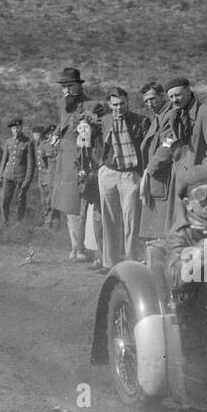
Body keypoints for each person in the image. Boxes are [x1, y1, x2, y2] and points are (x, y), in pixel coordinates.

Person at [146, 76, 207, 232]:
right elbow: (168, 143)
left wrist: (201, 176)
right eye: (171, 97)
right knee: (180, 225)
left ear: (188, 91)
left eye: (178, 95)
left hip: (199, 181)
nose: (175, 100)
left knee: (199, 225)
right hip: (178, 178)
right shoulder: (174, 114)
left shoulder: (205, 112)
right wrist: (152, 166)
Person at [50, 67, 104, 261]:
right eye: (63, 87)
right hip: (64, 161)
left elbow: (98, 134)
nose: (66, 91)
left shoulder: (93, 106)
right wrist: (56, 134)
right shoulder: (63, 105)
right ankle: (75, 247)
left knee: (80, 204)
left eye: (69, 86)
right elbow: (63, 123)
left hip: (81, 162)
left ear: (79, 86)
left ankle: (83, 249)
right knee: (68, 206)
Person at [97, 87, 147, 267]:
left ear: (128, 103)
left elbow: (144, 149)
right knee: (108, 218)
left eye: (122, 104)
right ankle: (109, 263)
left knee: (131, 219)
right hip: (108, 172)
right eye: (115, 104)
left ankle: (130, 262)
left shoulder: (140, 121)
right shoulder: (104, 120)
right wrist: (100, 165)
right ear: (110, 105)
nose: (119, 108)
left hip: (129, 174)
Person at [163, 167, 207, 292]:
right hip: (205, 301)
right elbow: (175, 278)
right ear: (188, 204)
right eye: (200, 195)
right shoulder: (181, 233)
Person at [137, 81, 172, 244]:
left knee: (162, 227)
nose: (149, 104)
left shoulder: (169, 115)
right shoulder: (158, 117)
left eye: (152, 99)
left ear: (162, 96)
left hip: (163, 176)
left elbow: (167, 146)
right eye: (146, 101)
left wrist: (149, 170)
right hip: (155, 177)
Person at [0, 117, 38, 234]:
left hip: (21, 177)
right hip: (8, 175)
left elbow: (31, 163)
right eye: (14, 128)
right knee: (4, 200)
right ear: (11, 130)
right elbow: (4, 159)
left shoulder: (28, 142)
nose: (16, 130)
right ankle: (4, 221)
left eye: (18, 127)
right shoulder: (8, 142)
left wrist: (28, 180)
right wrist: (1, 175)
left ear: (22, 128)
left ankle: (19, 223)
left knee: (20, 200)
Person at [36, 124, 59, 228]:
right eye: (49, 134)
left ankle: (54, 221)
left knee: (54, 199)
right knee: (46, 199)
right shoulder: (43, 145)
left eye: (52, 133)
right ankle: (48, 220)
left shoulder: (59, 144)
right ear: (45, 135)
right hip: (47, 176)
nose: (51, 135)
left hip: (56, 176)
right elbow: (43, 162)